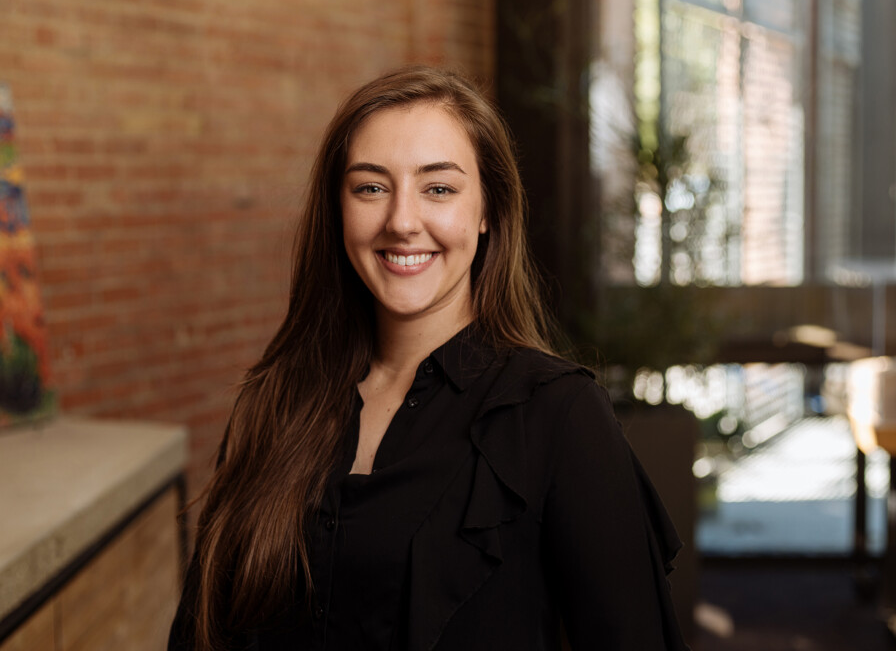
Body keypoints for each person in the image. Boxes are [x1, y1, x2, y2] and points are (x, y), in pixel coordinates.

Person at [169, 66, 689, 651]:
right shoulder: (275, 401)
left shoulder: (560, 417)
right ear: (338, 210)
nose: (401, 221)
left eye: (438, 188)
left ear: (488, 210)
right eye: (371, 187)